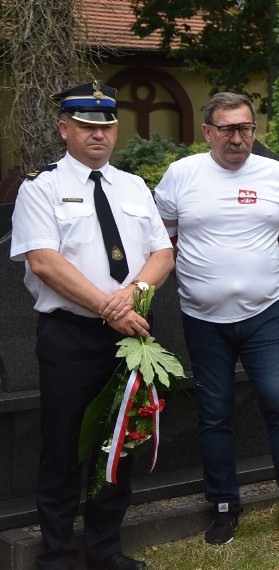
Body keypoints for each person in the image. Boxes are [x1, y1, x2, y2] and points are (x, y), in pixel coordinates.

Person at [10, 81, 174, 570]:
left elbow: (162, 252)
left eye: (106, 126)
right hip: (71, 337)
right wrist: (111, 307)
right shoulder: (41, 187)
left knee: (119, 443)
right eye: (85, 126)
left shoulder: (133, 185)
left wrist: (134, 298)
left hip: (129, 338)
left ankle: (105, 551)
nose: (98, 135)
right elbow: (43, 262)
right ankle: (58, 556)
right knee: (62, 447)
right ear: (64, 129)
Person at [154, 92, 279, 545]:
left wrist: (253, 276)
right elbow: (163, 241)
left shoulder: (274, 175)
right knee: (214, 414)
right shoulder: (181, 175)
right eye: (228, 129)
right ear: (207, 132)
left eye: (246, 128)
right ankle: (225, 505)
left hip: (264, 316)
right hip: (203, 319)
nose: (238, 137)